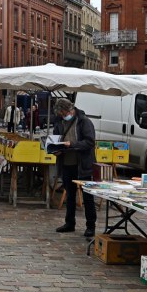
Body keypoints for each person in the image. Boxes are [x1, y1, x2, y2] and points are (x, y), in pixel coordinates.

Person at [51, 98, 97, 237]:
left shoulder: (84, 121)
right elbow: (57, 139)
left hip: (83, 165)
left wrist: (72, 144)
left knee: (87, 197)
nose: (63, 116)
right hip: (67, 163)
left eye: (64, 113)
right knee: (70, 195)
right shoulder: (59, 122)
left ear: (70, 109)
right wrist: (55, 149)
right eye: (61, 114)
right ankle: (69, 223)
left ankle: (91, 226)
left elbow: (90, 142)